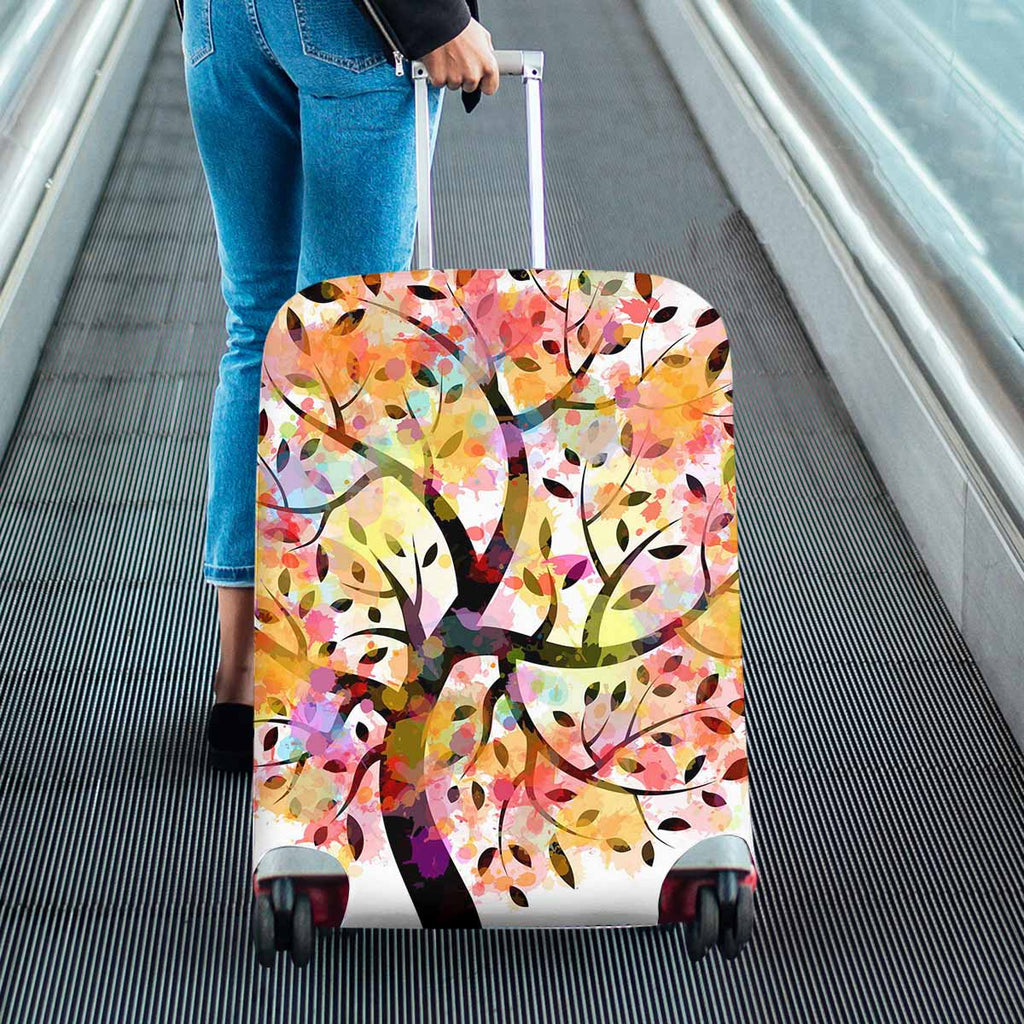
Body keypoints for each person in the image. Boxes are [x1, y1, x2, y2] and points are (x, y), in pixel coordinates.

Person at [179, 0, 499, 769]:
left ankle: (243, 680)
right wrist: (436, 17)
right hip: (350, 27)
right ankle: (327, 678)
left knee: (258, 327)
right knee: (346, 342)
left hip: (218, 24)